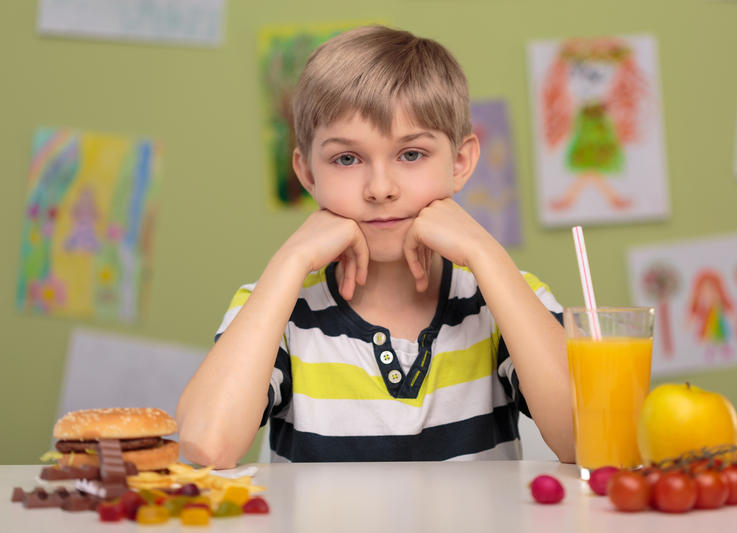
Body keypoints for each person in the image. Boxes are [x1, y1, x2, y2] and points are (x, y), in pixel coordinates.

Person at [177, 25, 574, 467]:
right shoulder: (275, 306)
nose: (380, 188)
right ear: (308, 175)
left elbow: (585, 437)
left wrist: (485, 253)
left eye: (411, 155)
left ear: (460, 163)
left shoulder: (506, 297)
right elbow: (206, 446)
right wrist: (291, 260)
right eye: (346, 159)